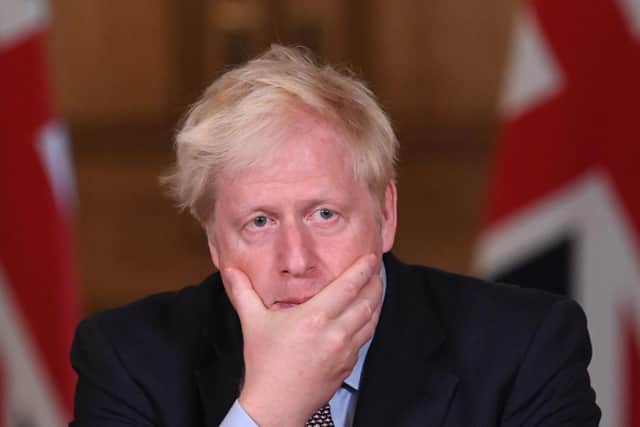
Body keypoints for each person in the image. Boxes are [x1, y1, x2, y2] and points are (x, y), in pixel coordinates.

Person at [69, 45, 600, 427]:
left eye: (324, 214)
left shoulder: (526, 347)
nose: (296, 261)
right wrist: (267, 412)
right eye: (259, 222)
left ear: (385, 215)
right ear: (214, 243)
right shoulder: (127, 360)